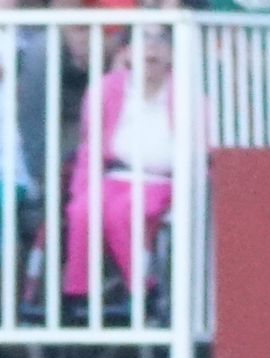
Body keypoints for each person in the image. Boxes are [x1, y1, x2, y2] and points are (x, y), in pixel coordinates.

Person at [62, 24, 176, 308]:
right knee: (82, 210)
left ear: (173, 52)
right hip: (118, 175)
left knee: (121, 211)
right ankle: (78, 292)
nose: (151, 48)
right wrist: (80, 190)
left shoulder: (186, 92)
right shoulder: (107, 88)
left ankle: (143, 287)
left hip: (164, 181)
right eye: (142, 40)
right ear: (126, 52)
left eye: (160, 40)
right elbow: (90, 146)